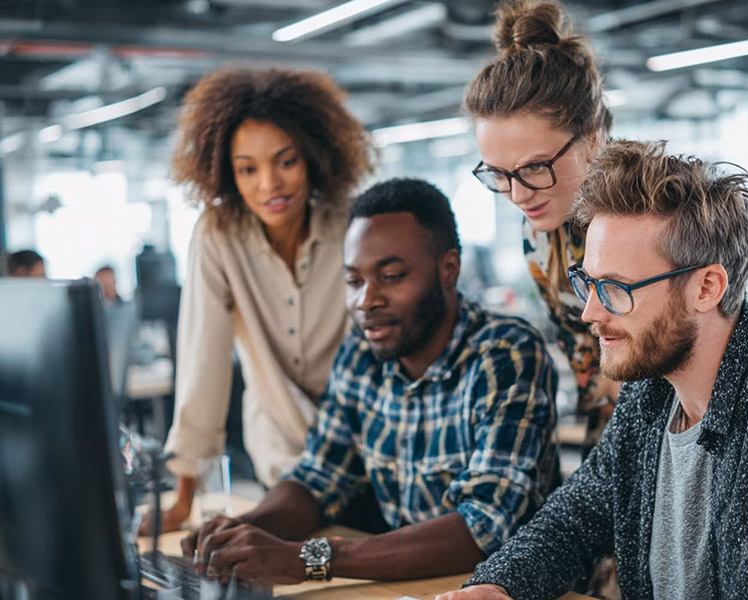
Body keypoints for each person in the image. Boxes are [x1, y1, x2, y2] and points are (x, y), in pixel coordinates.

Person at [438, 140, 748, 600]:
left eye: (616, 288)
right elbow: (573, 519)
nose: (590, 313)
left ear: (707, 287)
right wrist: (495, 586)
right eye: (588, 283)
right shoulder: (652, 393)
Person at [181, 178, 560, 584]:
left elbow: (482, 528)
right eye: (353, 281)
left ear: (448, 269)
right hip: (416, 587)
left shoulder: (506, 355)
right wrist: (245, 530)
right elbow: (319, 477)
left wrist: (308, 559)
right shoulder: (360, 354)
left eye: (392, 276)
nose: (366, 301)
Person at [148, 67, 372, 534]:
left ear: (312, 156)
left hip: (368, 454)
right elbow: (202, 361)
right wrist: (183, 500)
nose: (269, 184)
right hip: (281, 459)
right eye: (247, 169)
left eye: (285, 161)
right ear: (227, 173)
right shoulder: (217, 235)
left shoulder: (352, 223)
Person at [463, 0, 619, 448]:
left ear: (591, 140)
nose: (516, 193)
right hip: (610, 431)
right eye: (498, 173)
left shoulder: (652, 219)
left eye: (534, 167)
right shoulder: (540, 230)